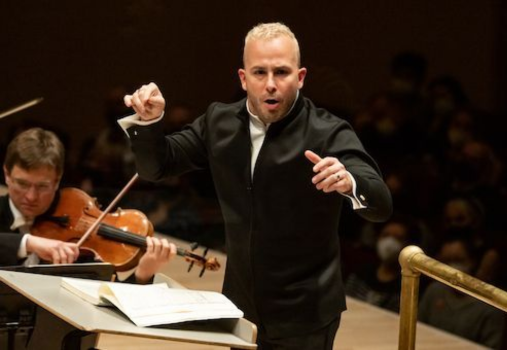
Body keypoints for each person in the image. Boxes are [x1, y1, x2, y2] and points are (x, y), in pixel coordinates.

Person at [120, 22, 392, 349]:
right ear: (243, 78)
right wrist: (149, 123)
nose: (271, 85)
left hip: (305, 313)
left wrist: (349, 181)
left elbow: (381, 203)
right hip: (240, 307)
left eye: (282, 72)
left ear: (301, 77)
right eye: (260, 73)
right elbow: (156, 168)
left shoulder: (327, 131)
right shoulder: (218, 121)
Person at [0, 127, 176, 284]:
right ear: (7, 174)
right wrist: (30, 242)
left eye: (42, 186)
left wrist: (142, 274)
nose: (31, 196)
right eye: (22, 184)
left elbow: (107, 300)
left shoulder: (78, 232)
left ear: (57, 180)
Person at [419, 237, 505, 349]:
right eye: (446, 261)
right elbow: (418, 329)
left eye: (458, 260)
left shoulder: (491, 305)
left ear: (473, 261)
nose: (451, 267)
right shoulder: (434, 290)